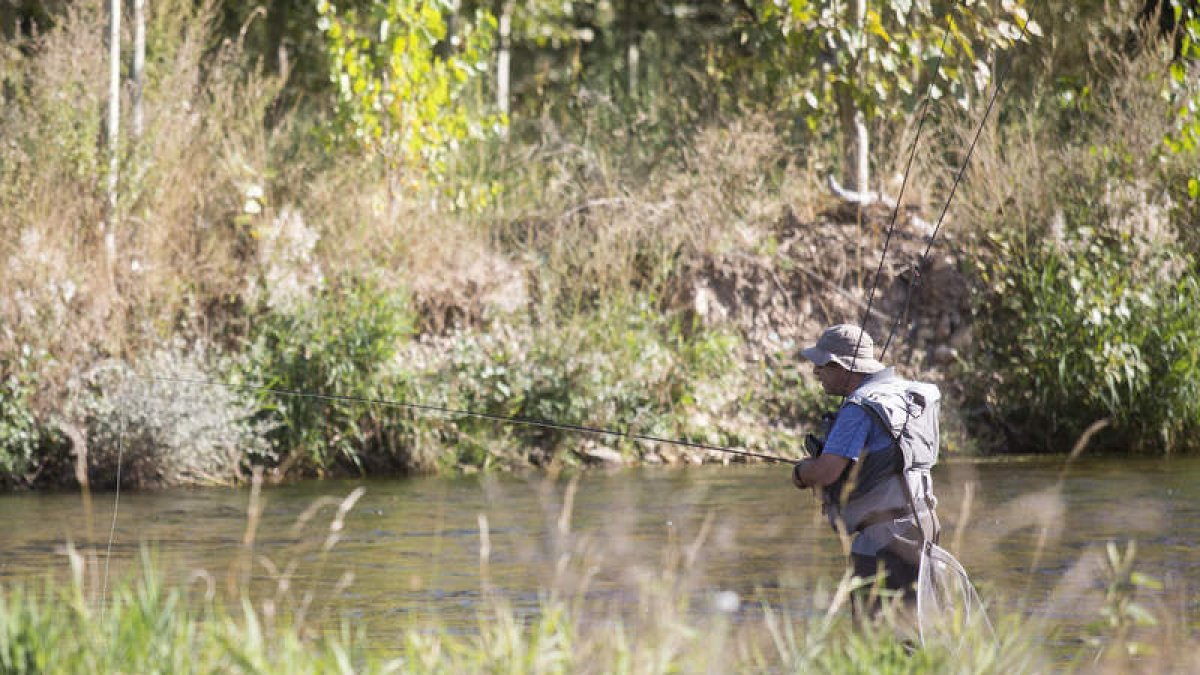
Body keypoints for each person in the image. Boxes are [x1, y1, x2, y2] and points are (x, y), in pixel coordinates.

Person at [791, 324, 941, 613]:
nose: (816, 372)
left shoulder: (859, 408)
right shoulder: (901, 393)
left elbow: (826, 472)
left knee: (879, 638)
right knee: (916, 627)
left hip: (885, 538)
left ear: (844, 367)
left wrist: (800, 474)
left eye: (822, 365)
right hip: (923, 522)